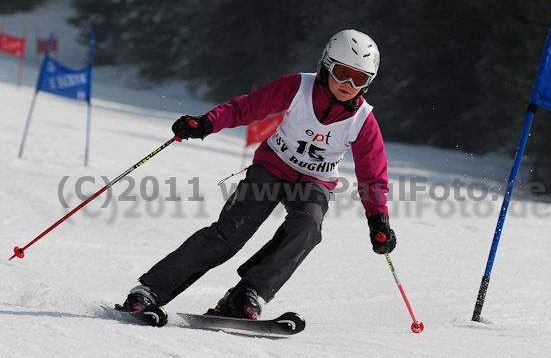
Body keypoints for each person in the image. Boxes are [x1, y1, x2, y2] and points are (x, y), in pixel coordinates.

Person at [117, 29, 397, 320]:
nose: (348, 84)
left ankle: (247, 294)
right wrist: (205, 124)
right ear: (326, 65)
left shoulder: (363, 121)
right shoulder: (297, 87)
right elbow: (247, 108)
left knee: (308, 226)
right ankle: (151, 290)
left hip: (315, 183)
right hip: (271, 169)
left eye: (359, 79)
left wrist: (378, 218)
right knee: (231, 232)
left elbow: (372, 175)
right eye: (342, 72)